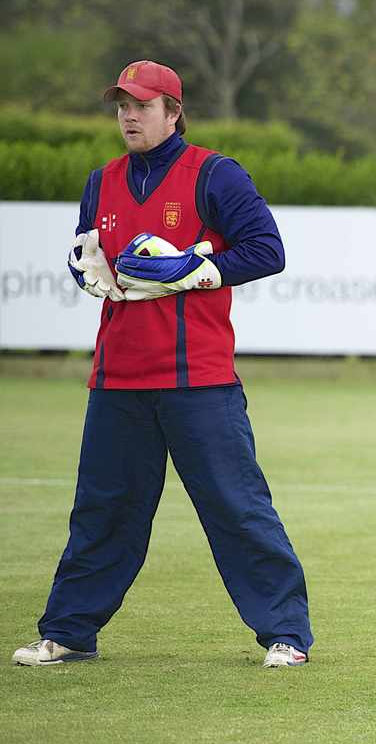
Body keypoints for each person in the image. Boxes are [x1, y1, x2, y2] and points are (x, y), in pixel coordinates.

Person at [12, 60, 313, 669]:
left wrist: (196, 268)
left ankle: (285, 634)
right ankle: (69, 632)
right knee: (101, 510)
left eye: (143, 105)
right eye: (122, 104)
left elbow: (267, 250)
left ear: (173, 112)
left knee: (236, 506)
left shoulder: (216, 174)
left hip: (199, 379)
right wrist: (86, 269)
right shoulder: (102, 180)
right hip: (117, 377)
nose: (129, 114)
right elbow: (86, 248)